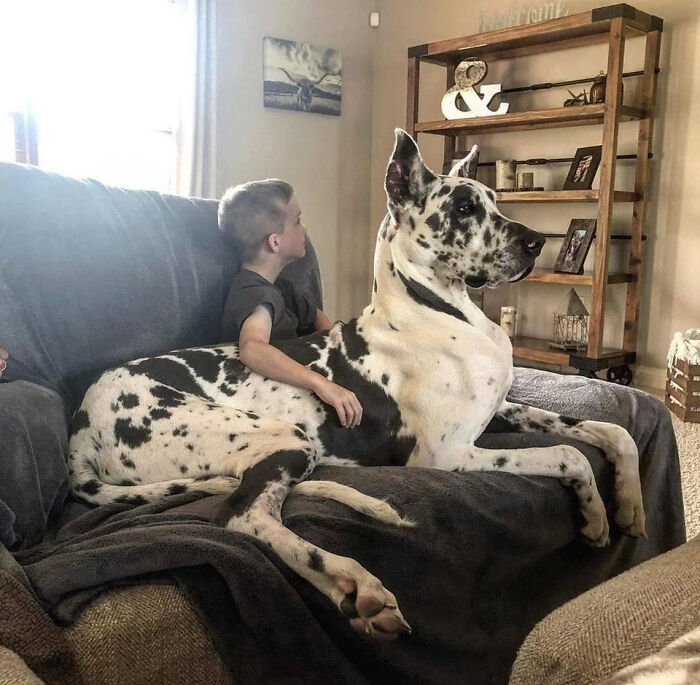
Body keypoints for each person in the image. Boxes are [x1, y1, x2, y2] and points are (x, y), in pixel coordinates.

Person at [218, 179, 362, 429]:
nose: (304, 229)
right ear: (274, 242)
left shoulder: (281, 287)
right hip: (263, 405)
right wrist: (321, 384)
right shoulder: (253, 293)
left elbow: (319, 321)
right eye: (297, 221)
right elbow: (252, 348)